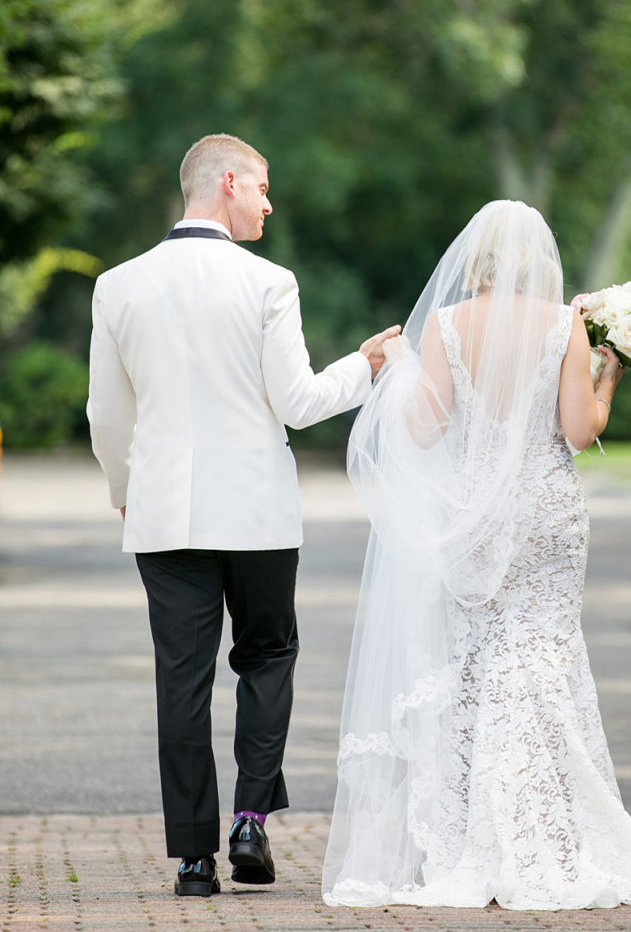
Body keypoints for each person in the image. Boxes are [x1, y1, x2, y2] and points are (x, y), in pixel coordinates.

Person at [322, 200, 631, 911]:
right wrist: (608, 374)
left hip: (472, 515)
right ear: (538, 260)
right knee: (541, 658)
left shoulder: (444, 326)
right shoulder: (562, 323)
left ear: (473, 260)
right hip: (546, 516)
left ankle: (476, 834)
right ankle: (544, 835)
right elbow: (575, 429)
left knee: (478, 664)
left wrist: (405, 368)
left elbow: (427, 425)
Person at [87, 133, 399, 898]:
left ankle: (195, 861)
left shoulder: (118, 284)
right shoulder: (269, 283)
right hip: (257, 513)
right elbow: (296, 402)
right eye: (261, 187)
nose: (268, 202)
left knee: (180, 683)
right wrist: (366, 365)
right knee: (266, 659)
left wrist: (125, 486)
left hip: (163, 514)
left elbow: (106, 412)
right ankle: (250, 821)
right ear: (227, 182)